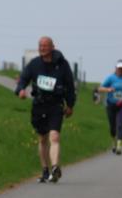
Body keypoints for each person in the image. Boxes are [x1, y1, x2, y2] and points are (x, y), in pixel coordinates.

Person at [14, 37, 76, 183]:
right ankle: (45, 170)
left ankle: (55, 168)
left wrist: (70, 105)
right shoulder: (34, 64)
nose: (42, 48)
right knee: (42, 139)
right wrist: (20, 90)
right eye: (40, 45)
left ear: (52, 47)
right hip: (39, 105)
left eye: (45, 46)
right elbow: (23, 79)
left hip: (56, 105)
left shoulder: (62, 65)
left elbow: (70, 86)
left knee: (54, 137)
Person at [98, 60, 122, 155]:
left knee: (120, 125)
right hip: (111, 105)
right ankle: (114, 142)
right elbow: (100, 88)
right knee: (112, 127)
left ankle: (119, 146)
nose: (121, 70)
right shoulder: (111, 78)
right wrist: (108, 89)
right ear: (116, 68)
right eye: (119, 68)